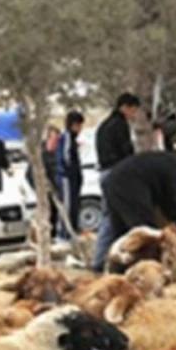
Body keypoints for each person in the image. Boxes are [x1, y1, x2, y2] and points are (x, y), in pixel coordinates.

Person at [100, 149, 176, 261]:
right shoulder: (174, 168)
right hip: (130, 187)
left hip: (113, 181)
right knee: (145, 232)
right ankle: (146, 263)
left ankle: (101, 262)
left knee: (118, 229)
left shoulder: (163, 161)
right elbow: (173, 200)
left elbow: (165, 202)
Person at [92, 93, 141, 271]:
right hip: (116, 174)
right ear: (125, 107)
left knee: (108, 217)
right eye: (133, 110)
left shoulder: (104, 125)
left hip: (105, 172)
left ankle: (100, 258)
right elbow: (126, 152)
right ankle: (102, 261)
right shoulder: (120, 125)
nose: (133, 114)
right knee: (115, 218)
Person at [54, 110, 85, 240]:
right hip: (66, 177)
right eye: (78, 126)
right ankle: (64, 233)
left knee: (74, 205)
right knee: (67, 205)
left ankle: (71, 230)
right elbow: (66, 158)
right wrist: (71, 170)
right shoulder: (66, 137)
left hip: (72, 177)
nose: (80, 129)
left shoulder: (72, 139)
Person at [25, 126, 60, 230]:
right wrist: (39, 188)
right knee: (46, 214)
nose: (56, 142)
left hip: (56, 190)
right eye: (55, 139)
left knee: (56, 213)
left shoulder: (57, 152)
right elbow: (29, 175)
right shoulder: (40, 154)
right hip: (44, 191)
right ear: (48, 138)